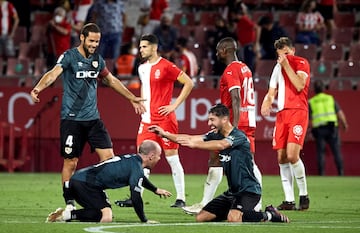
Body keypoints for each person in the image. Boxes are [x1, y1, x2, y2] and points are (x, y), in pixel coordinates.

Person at [30, 23, 146, 210]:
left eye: (97, 41)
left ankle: (98, 193)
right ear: (82, 38)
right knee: (71, 161)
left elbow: (111, 80)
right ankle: (69, 202)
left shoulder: (97, 60)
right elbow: (53, 74)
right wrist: (38, 88)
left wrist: (131, 98)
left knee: (109, 159)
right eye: (91, 40)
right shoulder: (69, 56)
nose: (94, 44)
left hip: (93, 119)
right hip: (71, 119)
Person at [149, 104, 289, 223]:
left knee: (234, 218)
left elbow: (222, 145)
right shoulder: (215, 134)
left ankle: (270, 214)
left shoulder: (238, 136)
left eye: (212, 120)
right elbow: (190, 138)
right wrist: (165, 134)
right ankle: (234, 212)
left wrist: (195, 145)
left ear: (224, 119)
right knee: (202, 217)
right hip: (232, 192)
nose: (209, 123)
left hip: (249, 191)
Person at [182, 37, 263, 215]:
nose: (217, 53)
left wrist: (232, 128)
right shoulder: (245, 68)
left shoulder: (230, 71)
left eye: (219, 50)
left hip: (235, 123)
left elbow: (235, 97)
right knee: (234, 161)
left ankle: (207, 203)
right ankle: (208, 203)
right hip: (248, 120)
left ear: (226, 50)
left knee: (225, 161)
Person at [115, 34, 194, 208]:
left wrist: (174, 106)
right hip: (147, 120)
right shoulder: (142, 68)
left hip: (165, 120)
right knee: (141, 160)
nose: (141, 50)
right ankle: (135, 197)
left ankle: (181, 198)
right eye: (140, 47)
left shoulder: (166, 66)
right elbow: (145, 87)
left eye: (144, 47)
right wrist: (140, 102)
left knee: (172, 158)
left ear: (154, 47)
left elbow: (188, 82)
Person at [46, 140, 172, 223]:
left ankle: (68, 213)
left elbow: (140, 179)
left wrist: (155, 190)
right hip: (87, 184)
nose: (159, 159)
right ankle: (67, 216)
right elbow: (136, 197)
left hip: (77, 181)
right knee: (106, 217)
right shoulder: (137, 169)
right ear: (151, 156)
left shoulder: (132, 160)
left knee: (98, 213)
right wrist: (144, 220)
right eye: (158, 156)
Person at [261, 37, 310, 211]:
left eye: (287, 53)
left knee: (292, 155)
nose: (284, 57)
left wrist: (286, 64)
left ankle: (303, 195)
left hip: (298, 112)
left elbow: (299, 85)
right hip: (282, 115)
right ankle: (289, 200)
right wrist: (267, 101)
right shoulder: (277, 67)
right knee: (281, 157)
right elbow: (271, 91)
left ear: (293, 51)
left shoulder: (301, 62)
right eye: (281, 55)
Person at [308, 80, 348, 176]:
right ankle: (341, 172)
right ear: (324, 88)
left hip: (319, 129)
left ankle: (321, 173)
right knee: (336, 151)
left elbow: (308, 119)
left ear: (314, 90)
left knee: (320, 152)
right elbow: (340, 113)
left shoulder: (311, 101)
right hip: (332, 128)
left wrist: (308, 131)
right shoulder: (330, 99)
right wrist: (344, 124)